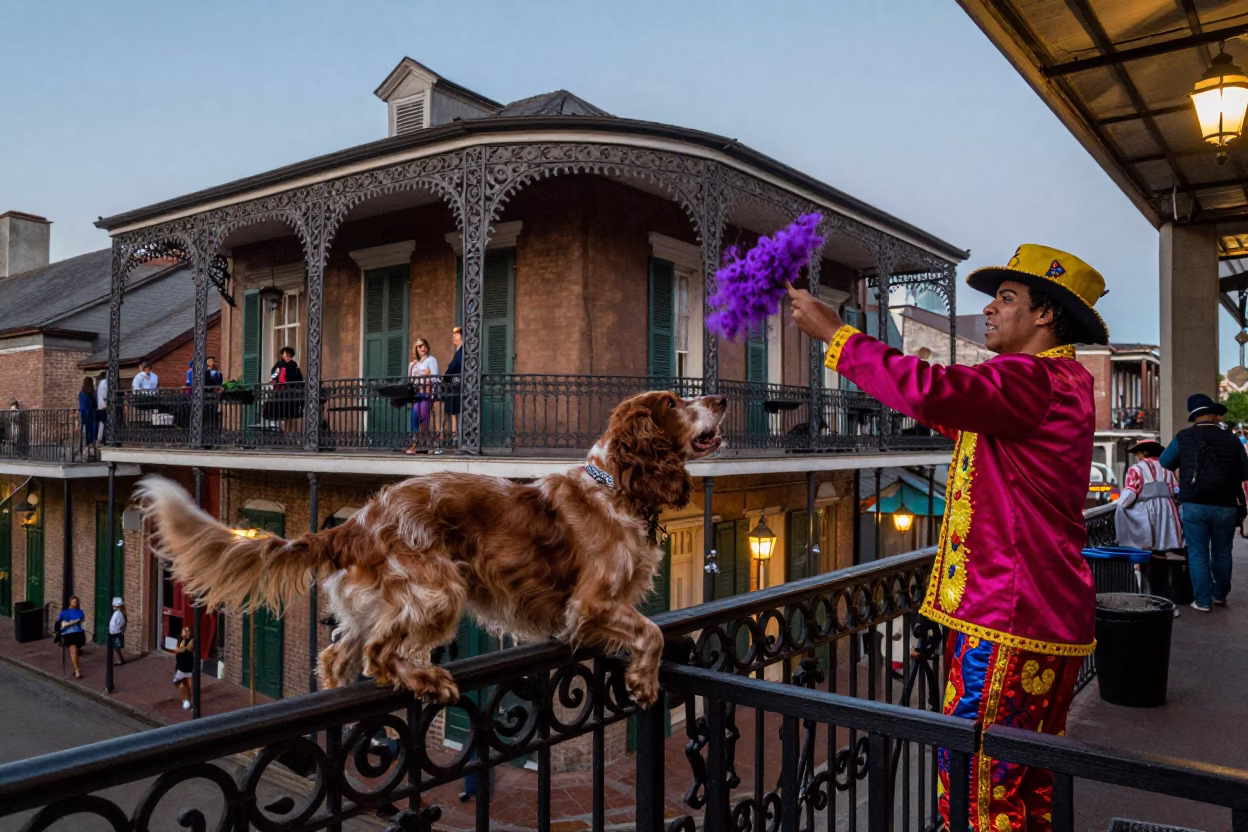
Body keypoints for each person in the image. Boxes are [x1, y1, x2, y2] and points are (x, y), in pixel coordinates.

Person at [788, 243, 1105, 831]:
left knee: (976, 790)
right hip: (1045, 614)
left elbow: (934, 391)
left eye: (1006, 298)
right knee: (1027, 787)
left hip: (1008, 619)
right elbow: (951, 408)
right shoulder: (1061, 382)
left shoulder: (1031, 379)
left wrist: (838, 337)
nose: (989, 309)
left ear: (1045, 315)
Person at [1158, 393, 1248, 612]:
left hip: (1194, 503)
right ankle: (1220, 595)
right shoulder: (1232, 440)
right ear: (1212, 414)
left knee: (1197, 552)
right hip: (1225, 503)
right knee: (1222, 552)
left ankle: (1203, 601)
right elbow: (1244, 471)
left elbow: (1165, 462)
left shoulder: (1184, 437)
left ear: (1193, 415)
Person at [405, 338, 438, 455]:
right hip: (417, 393)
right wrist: (413, 368)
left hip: (426, 393)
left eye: (424, 345)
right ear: (416, 349)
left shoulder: (431, 360)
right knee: (417, 418)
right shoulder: (416, 363)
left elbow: (434, 378)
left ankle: (420, 444)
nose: (422, 348)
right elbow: (411, 379)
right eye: (419, 346)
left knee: (420, 416)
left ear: (427, 346)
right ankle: (426, 444)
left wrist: (424, 376)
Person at [55, 596, 87, 679]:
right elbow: (59, 623)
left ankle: (77, 660)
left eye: (76, 602)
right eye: (73, 602)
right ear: (70, 602)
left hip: (79, 633)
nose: (75, 603)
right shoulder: (64, 612)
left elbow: (83, 623)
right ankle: (77, 671)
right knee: (73, 650)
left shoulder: (80, 612)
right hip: (68, 634)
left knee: (75, 650)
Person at [442, 326, 463, 440]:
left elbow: (454, 367)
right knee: (455, 410)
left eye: (456, 334)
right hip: (455, 384)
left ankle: (458, 436)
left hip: (459, 385)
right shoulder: (458, 351)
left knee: (458, 411)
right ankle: (455, 436)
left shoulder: (462, 351)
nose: (453, 336)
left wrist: (445, 377)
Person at [173, 626, 195, 710]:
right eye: (183, 631)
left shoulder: (191, 641)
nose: (183, 632)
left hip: (188, 666)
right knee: (180, 684)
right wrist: (180, 648)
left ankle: (188, 702)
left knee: (189, 686)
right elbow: (176, 650)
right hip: (180, 666)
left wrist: (182, 648)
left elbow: (188, 649)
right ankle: (185, 701)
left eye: (185, 631)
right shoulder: (180, 640)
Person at [77, 377, 98, 460]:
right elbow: (94, 405)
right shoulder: (91, 394)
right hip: (91, 416)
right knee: (91, 435)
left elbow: (80, 405)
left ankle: (83, 453)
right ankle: (91, 453)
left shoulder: (81, 394)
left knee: (84, 434)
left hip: (83, 415)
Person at [109, 597, 127, 666]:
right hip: (114, 632)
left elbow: (120, 623)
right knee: (116, 648)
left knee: (116, 647)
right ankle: (121, 659)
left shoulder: (118, 614)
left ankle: (119, 660)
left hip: (116, 633)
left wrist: (117, 629)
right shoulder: (117, 613)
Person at [95, 371, 109, 443]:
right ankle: (101, 439)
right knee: (103, 423)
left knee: (102, 423)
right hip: (104, 406)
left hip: (100, 406)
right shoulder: (105, 382)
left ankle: (100, 438)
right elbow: (105, 395)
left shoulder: (100, 383)